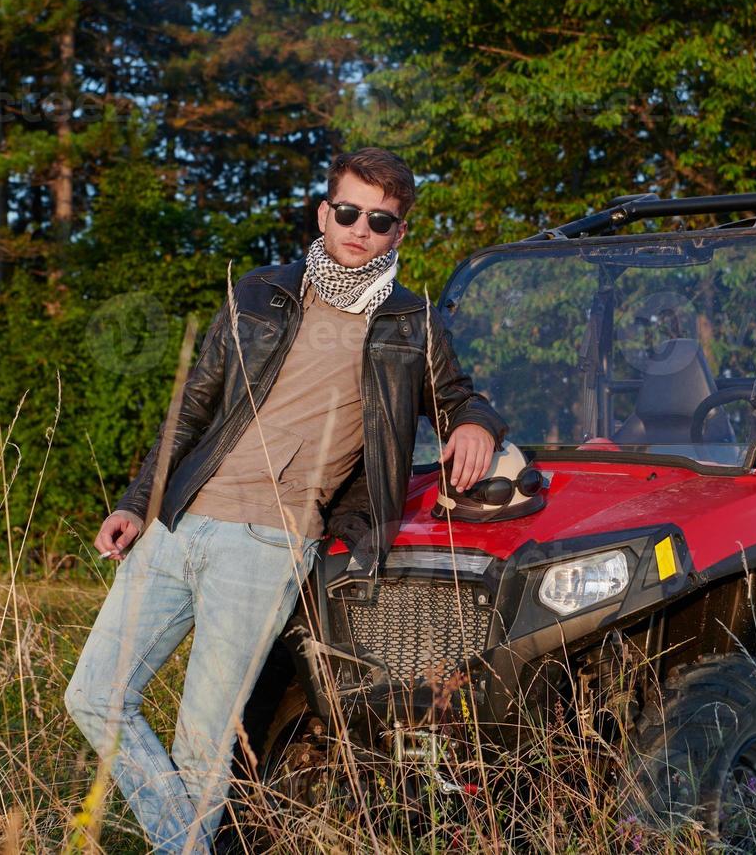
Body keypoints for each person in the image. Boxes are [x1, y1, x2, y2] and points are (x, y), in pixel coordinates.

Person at [63, 148, 506, 853]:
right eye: (349, 211)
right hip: (179, 523)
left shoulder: (409, 323)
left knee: (203, 740)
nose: (361, 228)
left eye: (381, 220)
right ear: (324, 211)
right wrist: (135, 503)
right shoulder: (260, 293)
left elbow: (457, 396)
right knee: (92, 695)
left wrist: (476, 423)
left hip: (269, 543)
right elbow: (192, 407)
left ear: (400, 233)